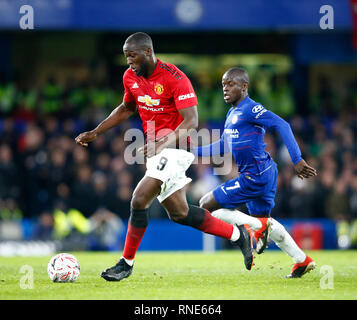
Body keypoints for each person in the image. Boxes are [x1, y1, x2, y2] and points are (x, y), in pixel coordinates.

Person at [75, 33, 269, 281]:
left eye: (132, 56)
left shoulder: (174, 78)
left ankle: (126, 263)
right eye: (126, 57)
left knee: (139, 198)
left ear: (147, 52)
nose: (128, 62)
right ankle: (237, 234)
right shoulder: (130, 77)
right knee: (180, 213)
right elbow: (127, 107)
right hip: (158, 149)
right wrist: (96, 131)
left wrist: (161, 142)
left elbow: (192, 121)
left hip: (177, 148)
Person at [194, 67, 318, 278]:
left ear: (244, 86)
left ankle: (253, 227)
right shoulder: (232, 113)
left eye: (231, 84)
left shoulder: (251, 109)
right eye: (223, 84)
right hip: (263, 174)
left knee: (206, 205)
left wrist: (297, 159)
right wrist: (190, 152)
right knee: (266, 224)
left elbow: (282, 124)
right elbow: (222, 146)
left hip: (255, 177)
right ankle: (301, 260)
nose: (225, 89)